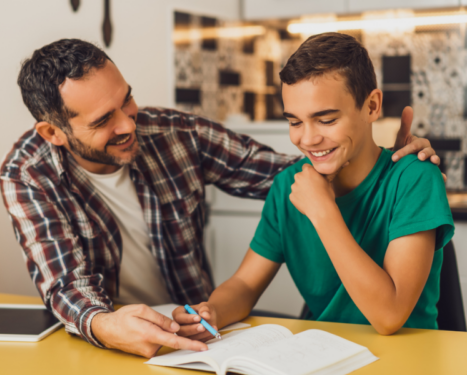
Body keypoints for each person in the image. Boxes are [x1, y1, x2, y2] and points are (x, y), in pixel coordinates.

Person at [0, 38, 440, 358]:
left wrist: (387, 155)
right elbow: (64, 284)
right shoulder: (26, 175)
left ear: (372, 104)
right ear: (53, 133)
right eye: (102, 120)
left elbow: (301, 166)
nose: (129, 124)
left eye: (127, 100)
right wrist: (108, 324)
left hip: (200, 328)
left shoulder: (178, 135)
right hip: (120, 337)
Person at [173, 32, 454, 340]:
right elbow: (245, 284)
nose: (307, 139)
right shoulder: (287, 187)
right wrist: (212, 311)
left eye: (326, 120)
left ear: (372, 106)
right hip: (324, 353)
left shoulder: (415, 179)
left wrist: (322, 210)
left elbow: (389, 316)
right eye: (295, 122)